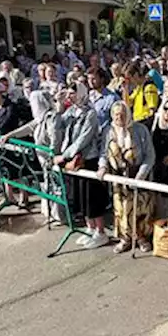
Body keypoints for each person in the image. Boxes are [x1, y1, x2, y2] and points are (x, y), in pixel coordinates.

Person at [55, 83, 110, 249]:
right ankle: (90, 228)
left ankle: (100, 231)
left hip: (88, 159)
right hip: (73, 159)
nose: (70, 97)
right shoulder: (71, 111)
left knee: (92, 198)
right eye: (69, 94)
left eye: (73, 93)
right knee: (81, 198)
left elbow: (84, 138)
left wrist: (64, 155)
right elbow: (58, 127)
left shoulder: (90, 113)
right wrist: (58, 108)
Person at [99, 100, 156, 254]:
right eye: (116, 115)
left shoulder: (140, 130)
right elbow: (104, 153)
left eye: (123, 114)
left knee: (139, 210)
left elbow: (150, 155)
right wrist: (102, 166)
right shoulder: (108, 131)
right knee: (121, 210)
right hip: (118, 180)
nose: (120, 118)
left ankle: (141, 238)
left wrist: (140, 176)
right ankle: (125, 238)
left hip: (138, 177)